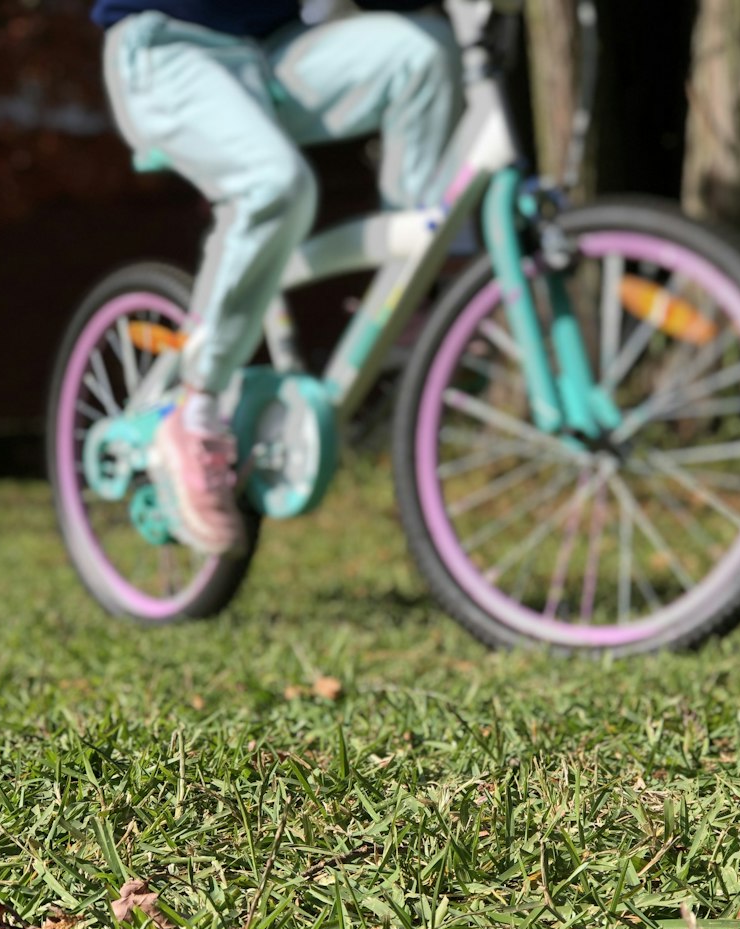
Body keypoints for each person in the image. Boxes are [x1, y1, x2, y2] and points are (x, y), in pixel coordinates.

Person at [92, 0, 465, 554]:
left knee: (425, 52)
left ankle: (409, 298)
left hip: (272, 50)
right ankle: (194, 410)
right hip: (164, 48)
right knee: (275, 187)